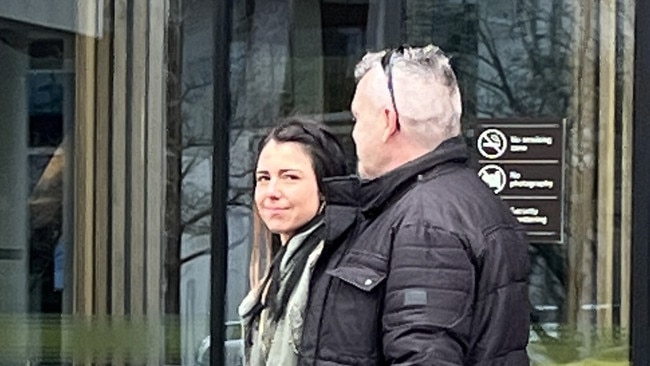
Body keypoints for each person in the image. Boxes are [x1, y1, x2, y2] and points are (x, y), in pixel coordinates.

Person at [298, 44, 531, 365]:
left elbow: (423, 357)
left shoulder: (425, 223)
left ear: (387, 122)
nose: (353, 133)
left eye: (357, 117)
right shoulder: (457, 201)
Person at [238, 116, 350, 366]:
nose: (272, 192)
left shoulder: (336, 265)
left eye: (290, 177)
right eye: (263, 178)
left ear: (325, 188)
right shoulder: (282, 265)